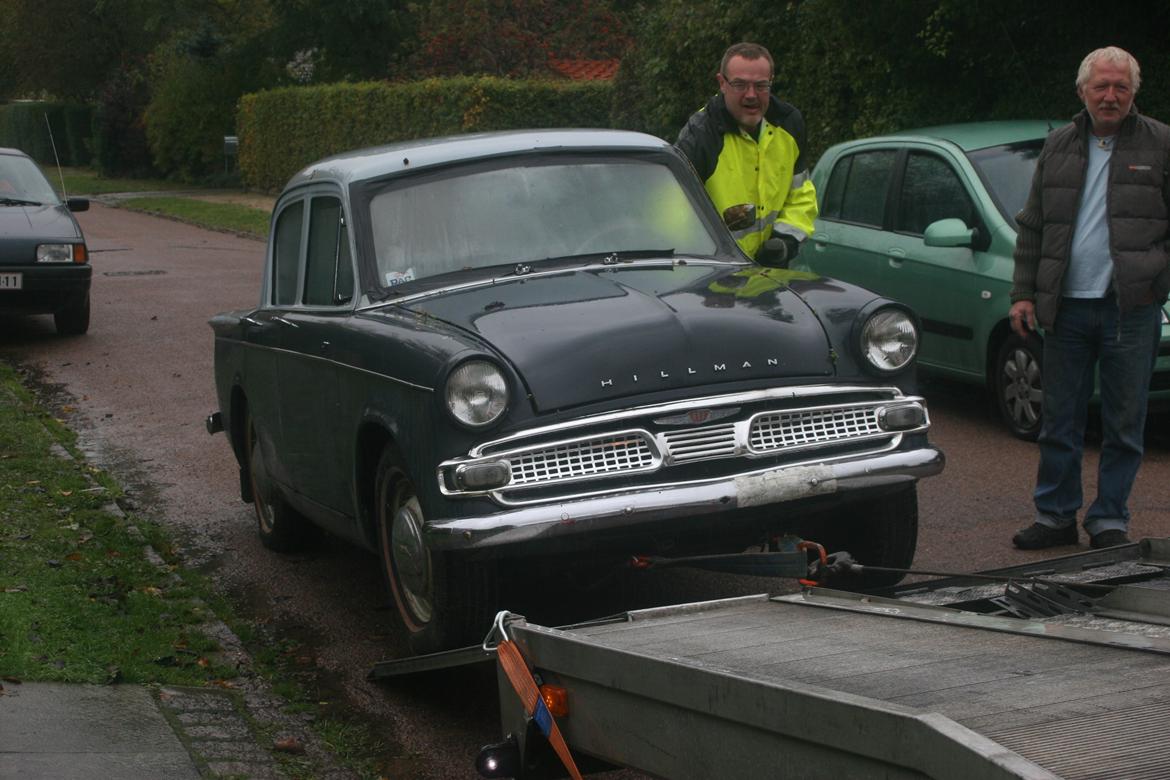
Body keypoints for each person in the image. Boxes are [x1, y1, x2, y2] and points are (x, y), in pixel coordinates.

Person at [1009, 46, 1170, 550]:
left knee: (1124, 423)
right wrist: (1023, 293)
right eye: (1102, 86)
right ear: (1083, 90)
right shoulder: (1058, 144)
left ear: (1134, 92)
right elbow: (1033, 225)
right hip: (1067, 308)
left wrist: (1158, 281)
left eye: (1121, 87)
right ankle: (1055, 516)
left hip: (1131, 308)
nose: (1111, 96)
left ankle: (1109, 520)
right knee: (1060, 422)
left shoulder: (1161, 143)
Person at [676, 42, 817, 265]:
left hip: (771, 273)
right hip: (717, 274)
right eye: (740, 85)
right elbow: (675, 215)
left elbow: (801, 195)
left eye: (761, 86)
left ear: (771, 82)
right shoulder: (700, 136)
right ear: (722, 83)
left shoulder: (789, 124)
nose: (751, 95)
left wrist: (784, 242)